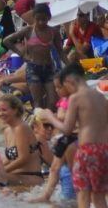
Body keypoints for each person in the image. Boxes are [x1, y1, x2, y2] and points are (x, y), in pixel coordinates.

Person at [40, 63, 108, 208]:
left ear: (70, 81)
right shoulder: (100, 97)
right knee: (99, 196)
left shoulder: (76, 98)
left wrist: (49, 117)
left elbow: (66, 129)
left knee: (83, 193)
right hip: (104, 149)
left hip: (87, 150)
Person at [3, 3, 63, 109]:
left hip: (49, 68)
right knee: (37, 101)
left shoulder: (53, 32)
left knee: (53, 100)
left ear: (49, 18)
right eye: (38, 19)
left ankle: (45, 120)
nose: (41, 22)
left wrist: (71, 68)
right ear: (33, 18)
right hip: (33, 69)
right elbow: (7, 41)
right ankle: (40, 122)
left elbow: (61, 52)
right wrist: (21, 54)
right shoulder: (29, 30)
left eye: (44, 19)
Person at [0, 94, 44, 186]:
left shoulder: (21, 128)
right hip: (16, 176)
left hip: (31, 177)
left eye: (4, 110)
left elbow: (23, 158)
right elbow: (8, 159)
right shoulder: (7, 130)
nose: (0, 113)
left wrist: (1, 172)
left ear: (15, 110)